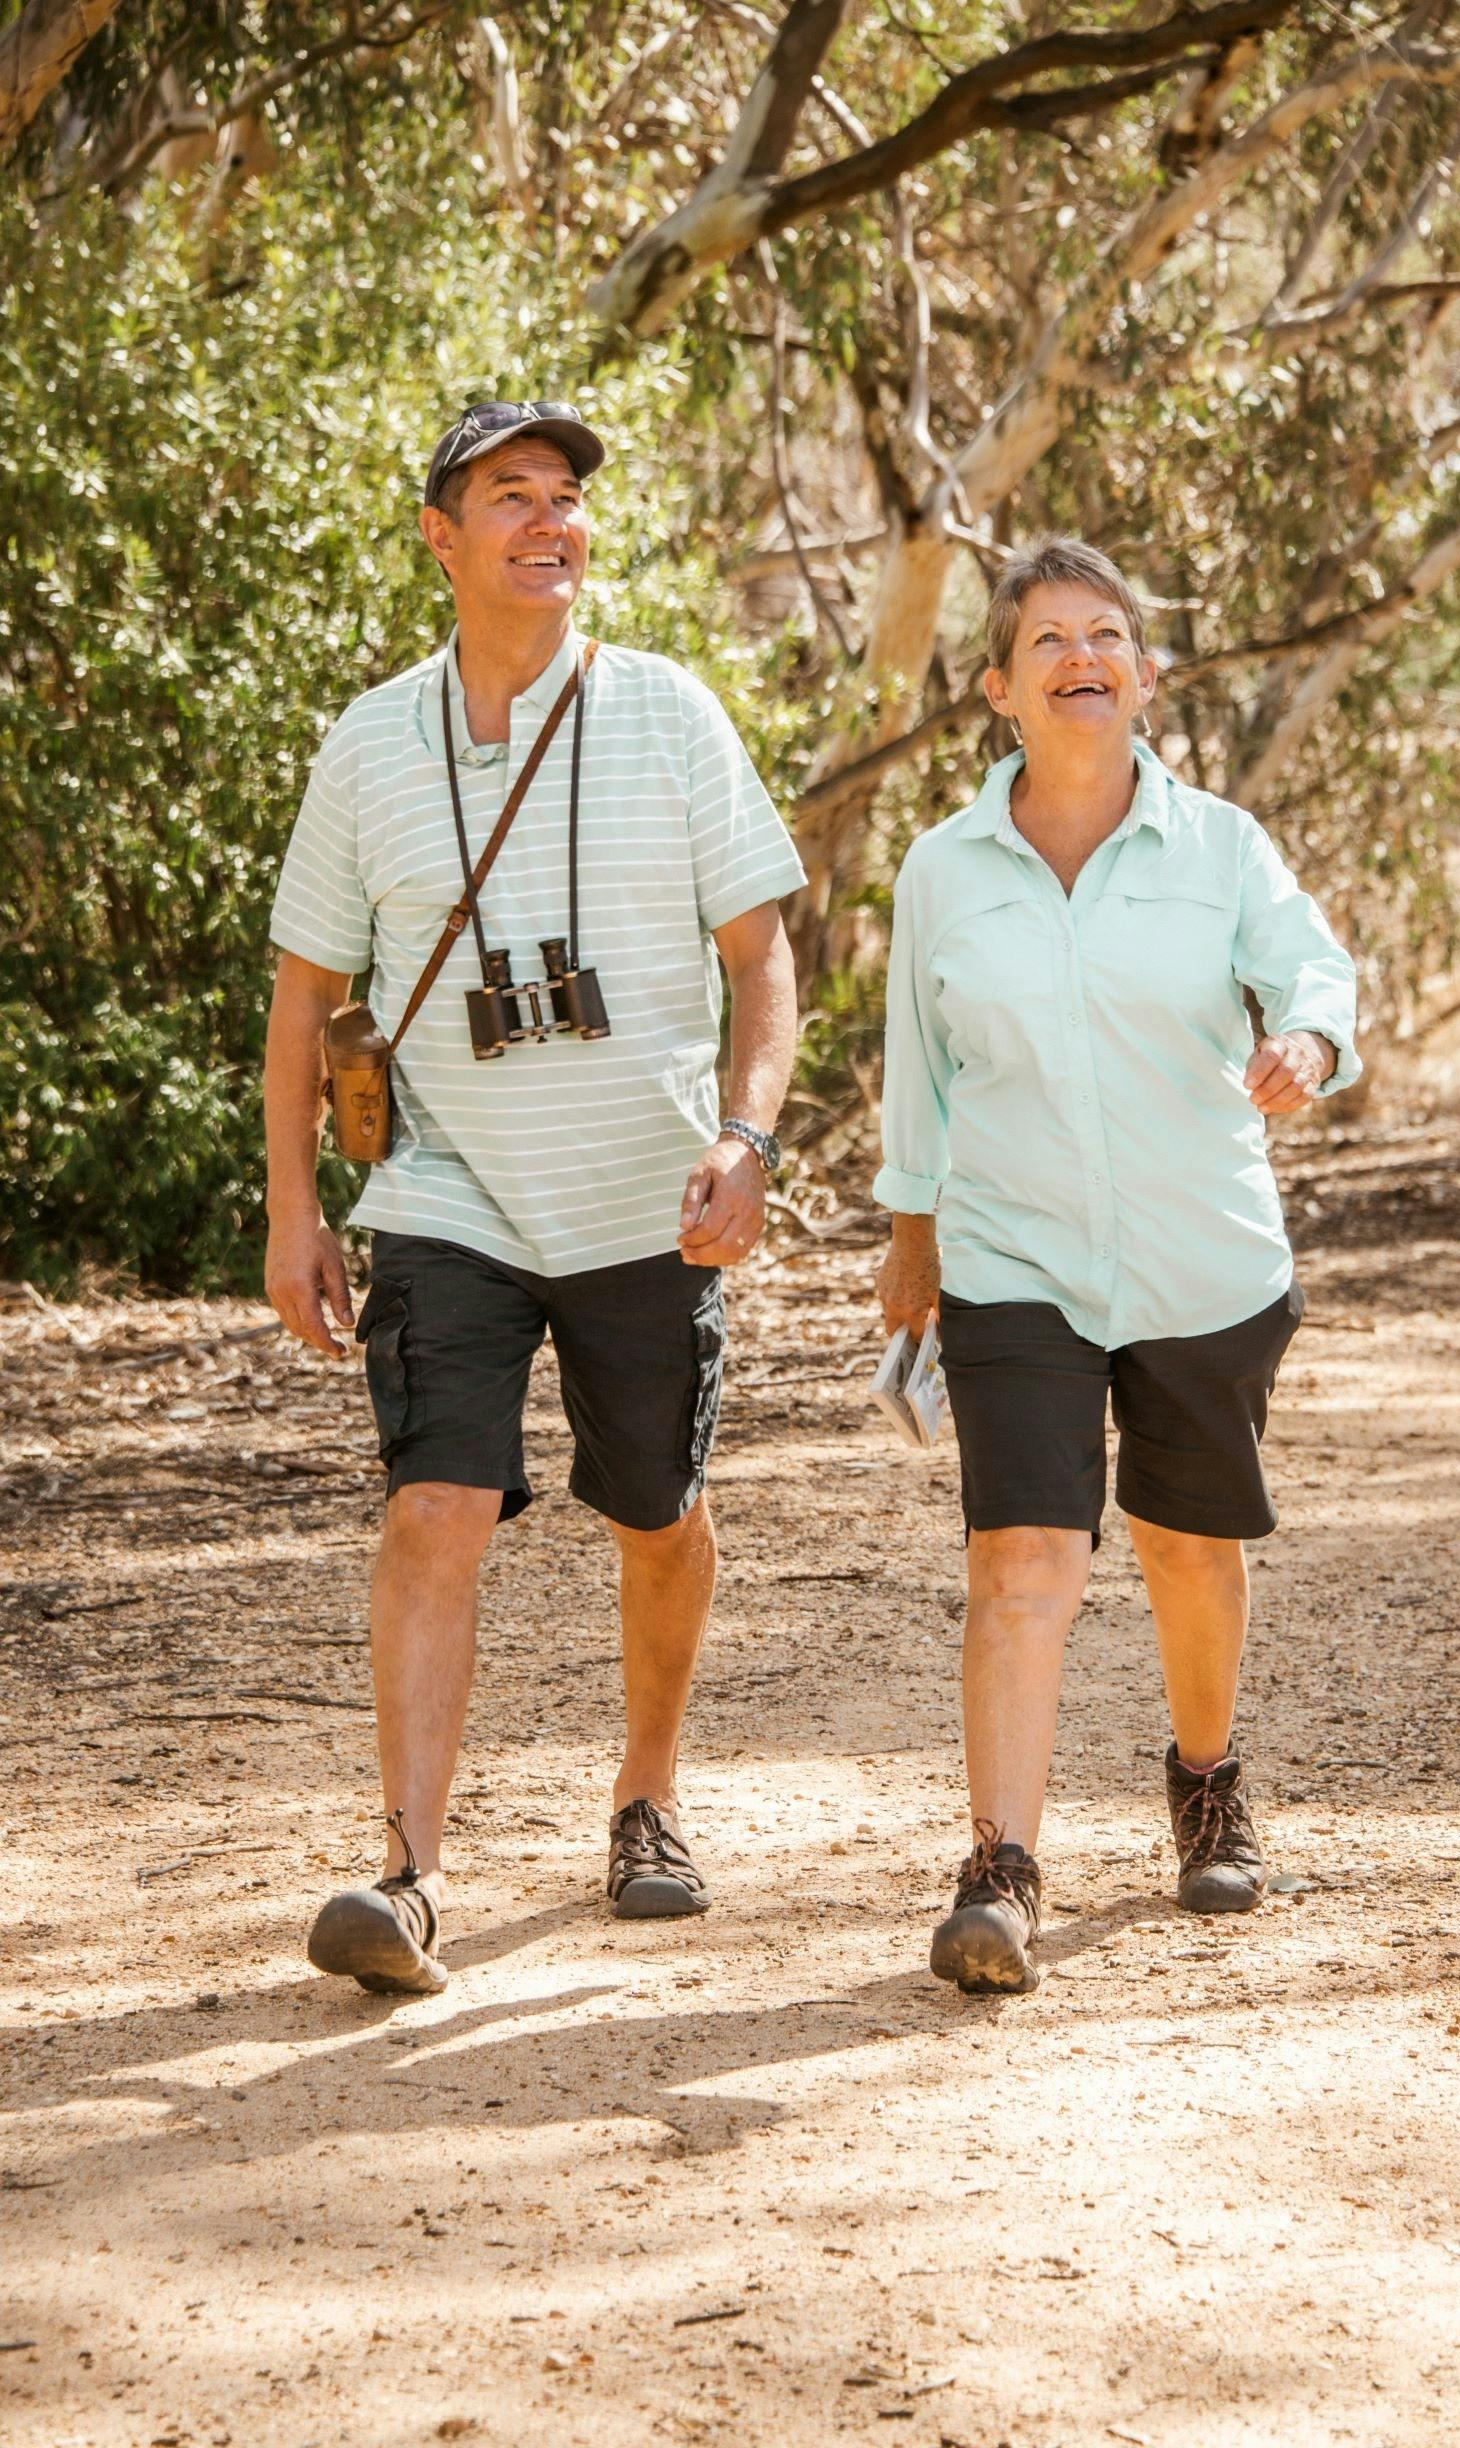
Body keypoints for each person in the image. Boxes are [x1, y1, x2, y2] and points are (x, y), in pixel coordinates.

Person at [264, 398, 803, 1995]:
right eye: (512, 496)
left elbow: (762, 960)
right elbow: (305, 995)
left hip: (651, 1203)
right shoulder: (370, 742)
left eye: (565, 496)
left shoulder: (670, 716)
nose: (550, 520)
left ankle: (646, 1796)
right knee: (434, 1508)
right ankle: (408, 1875)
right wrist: (295, 1209)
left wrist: (750, 1136)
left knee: (657, 1512)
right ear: (441, 536)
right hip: (449, 1197)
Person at [874, 535, 1360, 1997]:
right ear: (996, 689)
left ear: (1146, 677)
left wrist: (1306, 1043)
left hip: (1196, 1259)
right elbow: (920, 1066)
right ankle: (998, 1869)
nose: (1081, 660)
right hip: (1012, 1260)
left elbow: (1313, 971)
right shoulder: (942, 872)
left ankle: (1205, 1776)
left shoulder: (1221, 848)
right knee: (1022, 1561)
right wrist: (911, 1235)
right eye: (1049, 642)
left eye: (1107, 638)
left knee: (1181, 1548)